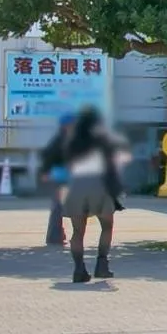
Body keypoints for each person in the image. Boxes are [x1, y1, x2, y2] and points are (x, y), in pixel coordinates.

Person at [60, 106, 127, 283]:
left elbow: (68, 166)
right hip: (99, 186)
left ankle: (79, 269)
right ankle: (102, 265)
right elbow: (111, 165)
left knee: (77, 232)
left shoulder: (72, 141)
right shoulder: (102, 139)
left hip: (77, 186)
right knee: (107, 226)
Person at [38, 110, 74, 249]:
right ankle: (54, 236)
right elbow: (48, 155)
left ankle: (58, 234)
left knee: (60, 208)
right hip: (59, 178)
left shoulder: (68, 138)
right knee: (58, 208)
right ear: (66, 125)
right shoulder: (60, 139)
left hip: (65, 178)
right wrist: (45, 171)